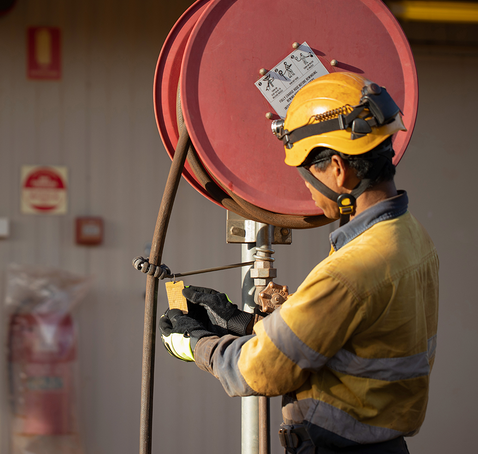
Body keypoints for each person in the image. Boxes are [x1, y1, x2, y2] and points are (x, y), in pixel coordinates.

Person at [158, 72, 439, 454]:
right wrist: (246, 323)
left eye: (307, 175)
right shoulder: (411, 237)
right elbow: (350, 339)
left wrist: (196, 344)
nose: (306, 189)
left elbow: (258, 372)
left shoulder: (351, 270)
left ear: (339, 170)